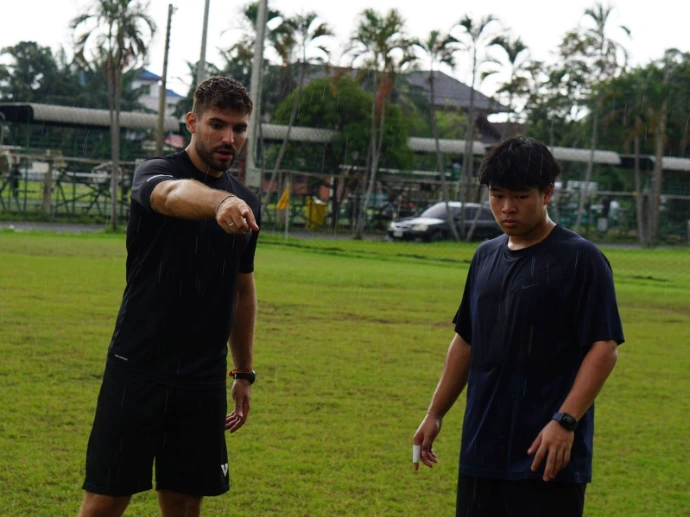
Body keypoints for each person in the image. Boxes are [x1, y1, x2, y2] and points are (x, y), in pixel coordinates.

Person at [77, 76, 261, 517]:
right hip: (138, 367)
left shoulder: (246, 201)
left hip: (201, 379)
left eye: (238, 128)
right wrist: (217, 205)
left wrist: (244, 372)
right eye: (217, 124)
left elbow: (242, 289)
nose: (228, 137)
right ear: (193, 121)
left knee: (183, 501)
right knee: (106, 499)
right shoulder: (155, 173)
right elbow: (173, 195)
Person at [413, 137, 624, 517]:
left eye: (521, 197)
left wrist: (565, 421)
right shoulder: (485, 256)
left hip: (546, 453)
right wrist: (435, 413)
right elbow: (466, 341)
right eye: (497, 196)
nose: (507, 208)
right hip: (482, 447)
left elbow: (604, 348)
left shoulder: (581, 260)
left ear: (547, 193)